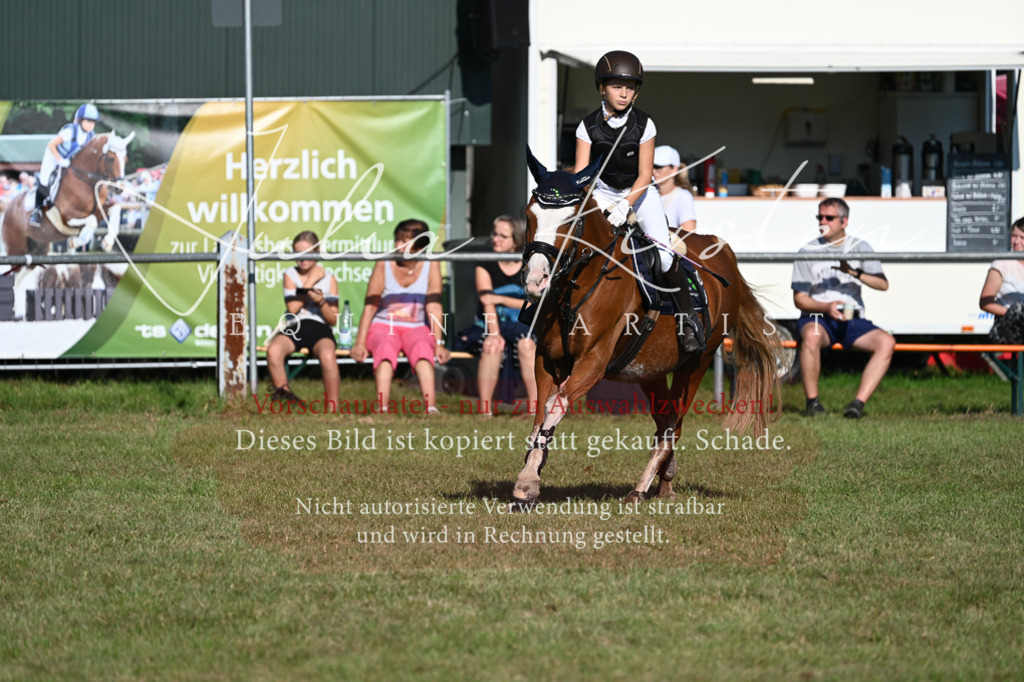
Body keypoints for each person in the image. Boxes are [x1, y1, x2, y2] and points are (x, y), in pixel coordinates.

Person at [574, 50, 703, 352]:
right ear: (601, 88)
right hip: (600, 193)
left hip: (640, 193)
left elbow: (645, 175)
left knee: (667, 255)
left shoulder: (645, 124)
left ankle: (687, 321)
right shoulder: (586, 126)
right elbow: (581, 174)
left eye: (630, 87)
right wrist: (602, 204)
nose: (624, 93)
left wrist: (624, 205)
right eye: (617, 86)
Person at [792, 198, 895, 419]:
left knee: (887, 342)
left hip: (852, 317)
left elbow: (883, 284)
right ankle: (813, 404)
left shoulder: (861, 248)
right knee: (811, 336)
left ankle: (857, 405)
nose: (823, 222)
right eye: (819, 217)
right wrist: (826, 306)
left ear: (844, 221)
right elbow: (799, 299)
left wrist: (854, 272)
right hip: (818, 316)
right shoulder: (807, 251)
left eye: (829, 218)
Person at [351, 219, 450, 415]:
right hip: (383, 325)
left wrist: (439, 342)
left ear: (420, 247)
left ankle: (431, 407)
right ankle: (382, 407)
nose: (397, 246)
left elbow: (434, 305)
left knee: (423, 348)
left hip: (416, 326)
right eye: (397, 240)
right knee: (385, 348)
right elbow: (370, 306)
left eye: (404, 242)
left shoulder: (432, 264)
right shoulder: (384, 263)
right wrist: (359, 342)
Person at [265, 231, 340, 407]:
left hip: (319, 327)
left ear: (318, 251)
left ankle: (334, 407)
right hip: (295, 325)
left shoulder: (329, 279)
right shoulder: (290, 274)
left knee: (328, 355)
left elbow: (333, 319)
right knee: (274, 351)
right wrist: (309, 283)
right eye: (297, 254)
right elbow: (292, 308)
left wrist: (322, 302)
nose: (302, 259)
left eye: (307, 254)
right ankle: (286, 399)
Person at [474, 215, 538, 416]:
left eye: (503, 236)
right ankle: (485, 411)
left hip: (524, 324)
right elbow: (486, 301)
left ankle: (535, 409)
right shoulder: (485, 264)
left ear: (516, 241)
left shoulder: (530, 266)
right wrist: (494, 333)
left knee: (527, 343)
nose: (496, 239)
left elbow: (535, 305)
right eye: (495, 234)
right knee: (493, 345)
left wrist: (501, 299)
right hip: (491, 323)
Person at [32, 103, 99, 227]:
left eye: (93, 121)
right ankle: (37, 211)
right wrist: (59, 160)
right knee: (46, 180)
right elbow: (51, 145)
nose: (91, 124)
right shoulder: (70, 131)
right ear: (79, 120)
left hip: (68, 159)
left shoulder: (91, 135)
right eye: (88, 120)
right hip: (53, 155)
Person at [979, 217, 1024, 344]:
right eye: (1014, 236)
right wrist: (1010, 313)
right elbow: (985, 302)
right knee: (1019, 309)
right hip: (1006, 328)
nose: (1016, 242)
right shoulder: (1002, 263)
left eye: (1022, 237)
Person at [653, 145, 697, 233]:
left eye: (658, 166)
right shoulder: (644, 194)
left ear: (674, 170)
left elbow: (689, 236)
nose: (653, 171)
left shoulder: (683, 196)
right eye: (651, 166)